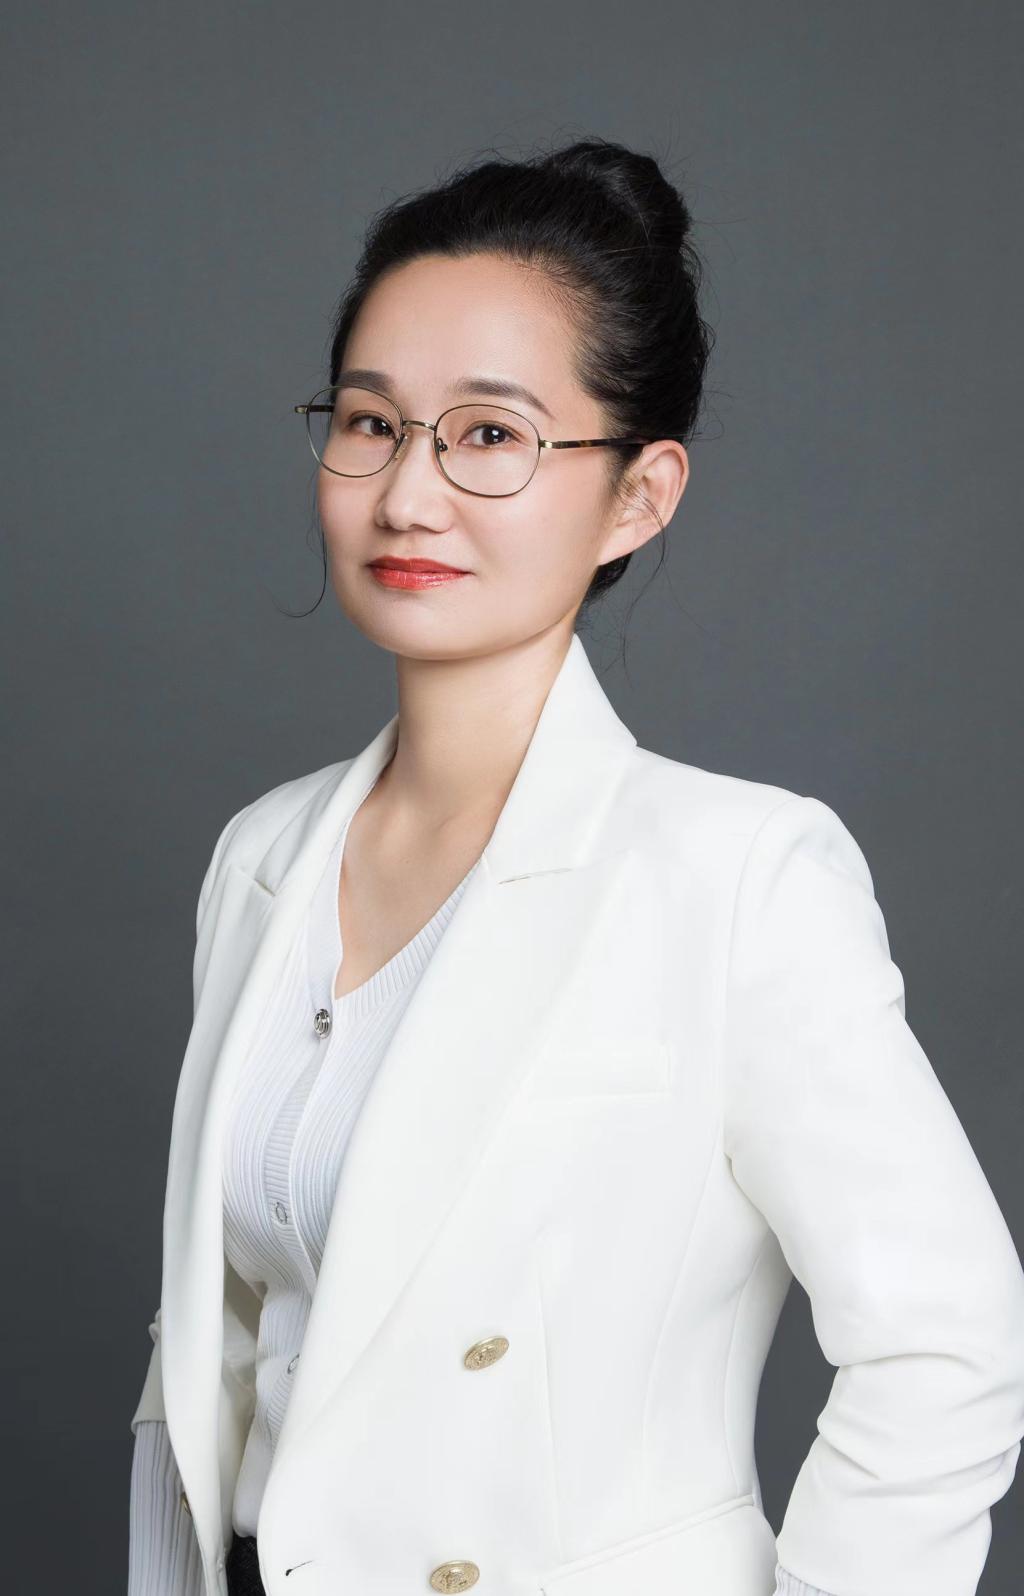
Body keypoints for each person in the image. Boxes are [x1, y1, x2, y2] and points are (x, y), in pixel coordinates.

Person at [128, 137, 1024, 1596]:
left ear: (638, 495)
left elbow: (948, 1341)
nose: (409, 493)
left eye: (491, 435)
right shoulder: (265, 856)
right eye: (371, 422)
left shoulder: (737, 878)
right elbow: (219, 1360)